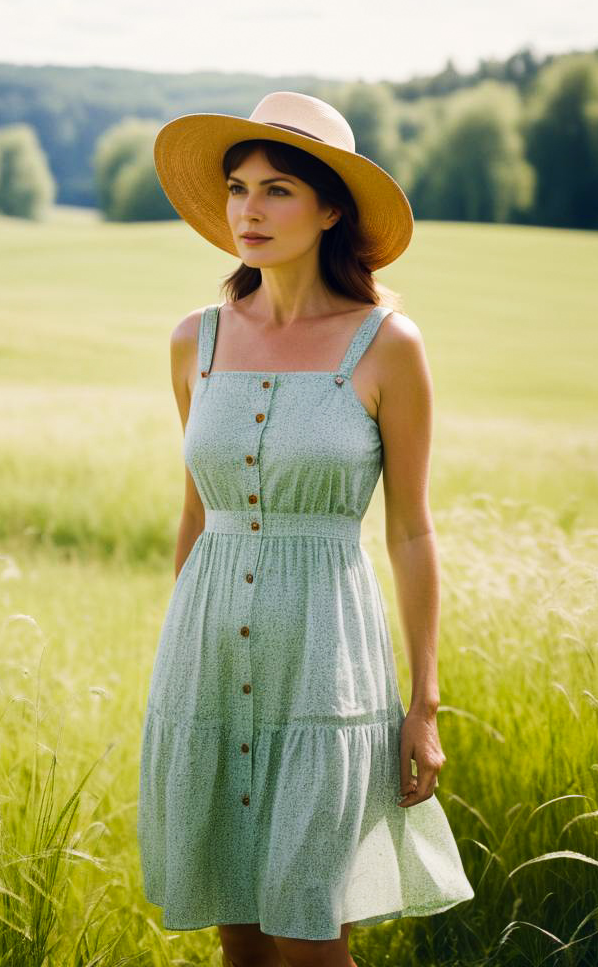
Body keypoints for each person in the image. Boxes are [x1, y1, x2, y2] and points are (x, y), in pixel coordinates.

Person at [138, 91, 474, 967]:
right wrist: (179, 655)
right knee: (239, 942)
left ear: (332, 210)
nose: (250, 208)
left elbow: (410, 531)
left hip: (328, 671)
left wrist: (424, 705)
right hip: (206, 662)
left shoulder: (386, 345)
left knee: (312, 942)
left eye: (278, 188)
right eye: (239, 187)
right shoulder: (194, 342)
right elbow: (195, 511)